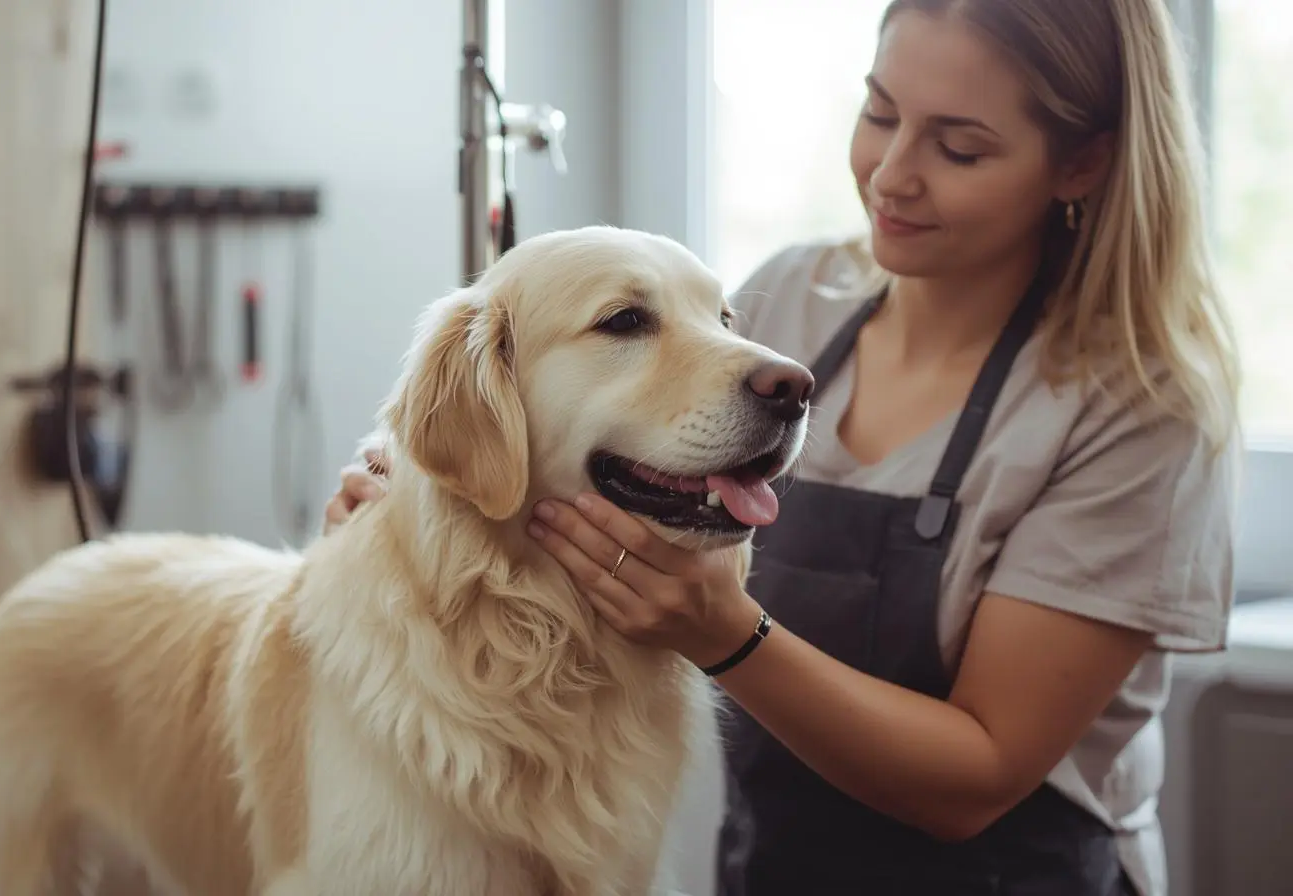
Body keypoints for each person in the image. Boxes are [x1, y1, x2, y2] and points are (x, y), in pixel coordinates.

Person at [324, 0, 1240, 892]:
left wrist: (729, 636)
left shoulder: (1139, 409)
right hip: (774, 868)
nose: (891, 175)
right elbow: (575, 485)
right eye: (879, 112)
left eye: (959, 147)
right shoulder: (800, 294)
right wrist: (415, 504)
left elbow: (980, 777)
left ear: (1081, 162)